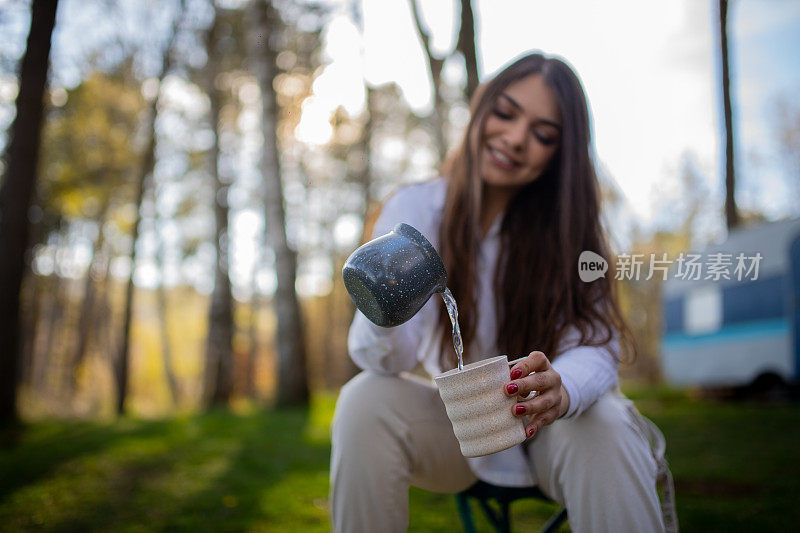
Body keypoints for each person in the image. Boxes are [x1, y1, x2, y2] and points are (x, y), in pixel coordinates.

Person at [329, 52, 676, 533]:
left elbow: (597, 344)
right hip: (460, 428)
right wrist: (380, 307)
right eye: (506, 113)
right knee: (363, 399)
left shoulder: (572, 229)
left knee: (609, 423)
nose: (515, 139)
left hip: (555, 430)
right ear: (481, 108)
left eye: (543, 135)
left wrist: (563, 390)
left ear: (561, 152)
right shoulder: (417, 208)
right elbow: (387, 359)